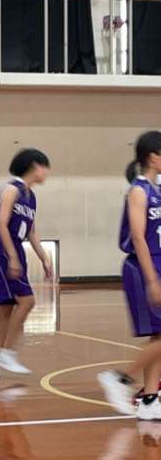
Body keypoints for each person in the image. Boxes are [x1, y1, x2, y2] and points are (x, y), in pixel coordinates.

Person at [98, 130, 161, 420]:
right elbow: (138, 237)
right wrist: (152, 279)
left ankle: (149, 401)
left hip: (157, 264)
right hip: (143, 266)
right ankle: (120, 379)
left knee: (157, 336)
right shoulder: (138, 190)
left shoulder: (156, 190)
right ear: (153, 156)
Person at [0, 148, 53, 378]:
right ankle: (6, 353)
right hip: (0, 248)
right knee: (27, 300)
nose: (47, 172)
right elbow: (2, 224)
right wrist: (12, 256)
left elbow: (31, 232)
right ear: (35, 166)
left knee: (5, 308)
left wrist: (44, 258)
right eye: (45, 166)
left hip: (13, 248)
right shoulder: (12, 189)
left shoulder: (31, 197)